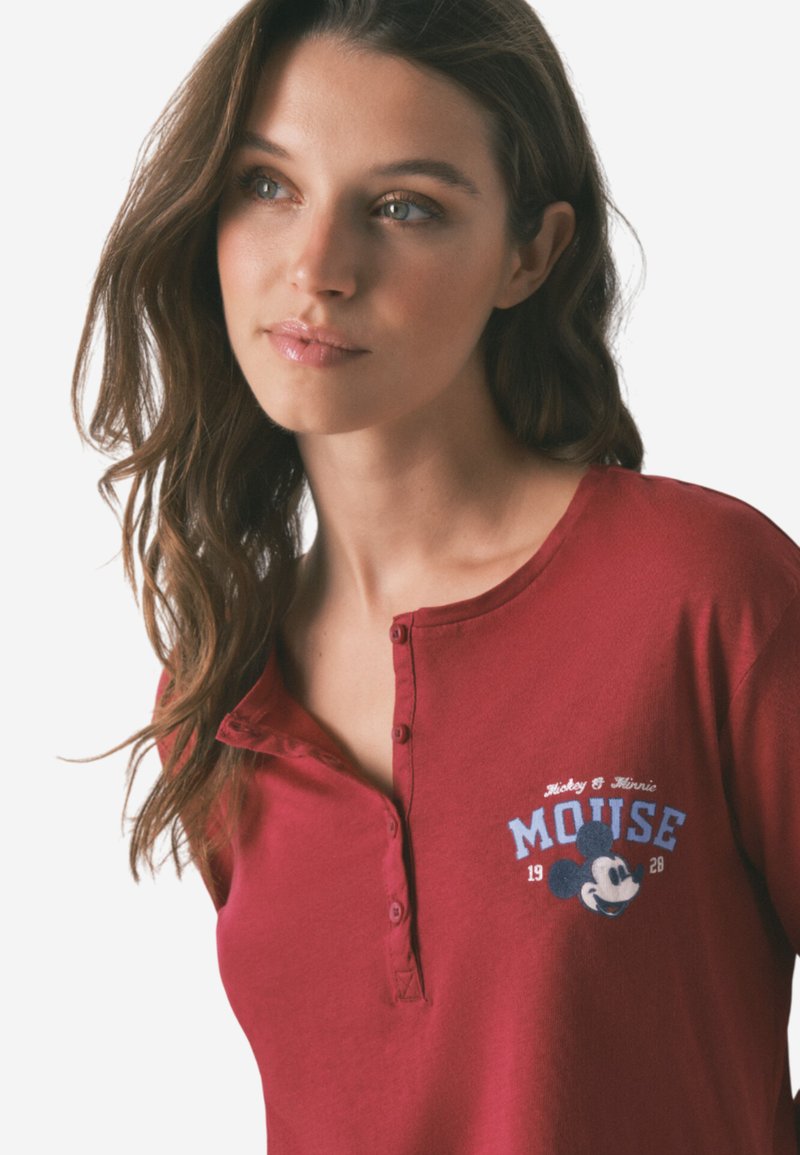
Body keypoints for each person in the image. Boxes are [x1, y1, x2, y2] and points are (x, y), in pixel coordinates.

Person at [72, 0, 800, 1151]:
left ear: (528, 253)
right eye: (267, 185)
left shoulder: (702, 597)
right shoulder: (216, 696)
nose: (317, 268)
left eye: (403, 207)